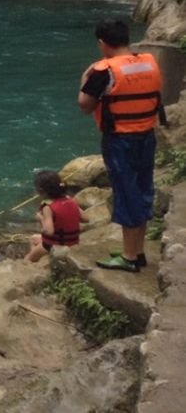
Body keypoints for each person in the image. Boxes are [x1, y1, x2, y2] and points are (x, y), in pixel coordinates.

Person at [78, 18, 165, 273]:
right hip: (147, 135)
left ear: (103, 44)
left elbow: (85, 105)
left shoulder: (103, 71)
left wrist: (85, 76)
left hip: (120, 140)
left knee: (127, 194)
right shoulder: (148, 61)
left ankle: (128, 258)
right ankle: (137, 252)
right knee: (142, 189)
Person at [25, 170, 82, 263]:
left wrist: (41, 218)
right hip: (73, 241)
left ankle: (33, 261)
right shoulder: (70, 200)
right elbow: (86, 218)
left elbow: (49, 231)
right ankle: (38, 258)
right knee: (33, 238)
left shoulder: (48, 207)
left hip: (55, 244)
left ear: (41, 191)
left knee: (27, 259)